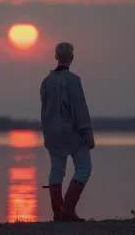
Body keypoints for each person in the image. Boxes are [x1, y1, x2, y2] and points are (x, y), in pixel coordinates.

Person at [40, 42, 95, 222]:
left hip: (53, 134)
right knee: (84, 168)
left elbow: (44, 111)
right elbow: (79, 108)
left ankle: (58, 212)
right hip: (72, 133)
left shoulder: (46, 82)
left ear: (56, 57)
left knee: (57, 170)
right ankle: (67, 210)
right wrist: (87, 131)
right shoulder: (73, 80)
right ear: (71, 58)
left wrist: (46, 133)